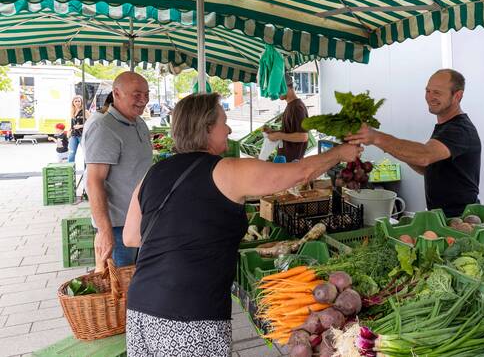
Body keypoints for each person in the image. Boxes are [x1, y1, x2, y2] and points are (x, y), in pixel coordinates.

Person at [122, 93, 361, 356]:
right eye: (223, 122)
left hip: (141, 308)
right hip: (190, 315)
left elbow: (131, 236)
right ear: (206, 128)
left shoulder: (154, 173)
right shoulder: (226, 170)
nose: (229, 128)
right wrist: (339, 152)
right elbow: (299, 173)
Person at [346, 69, 481, 218]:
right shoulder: (445, 127)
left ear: (457, 96)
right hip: (442, 218)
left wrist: (376, 137)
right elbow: (425, 167)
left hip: (461, 220)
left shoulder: (460, 130)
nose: (430, 97)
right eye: (428, 91)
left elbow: (424, 156)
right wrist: (386, 146)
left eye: (437, 92)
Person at [84, 72, 152, 271]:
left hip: (141, 219)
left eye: (147, 94)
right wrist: (105, 231)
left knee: (138, 281)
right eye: (137, 94)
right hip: (118, 227)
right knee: (121, 287)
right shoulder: (103, 127)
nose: (144, 100)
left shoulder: (139, 122)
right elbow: (94, 181)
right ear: (116, 93)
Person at [264, 73, 309, 162]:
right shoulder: (290, 106)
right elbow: (291, 132)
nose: (276, 93)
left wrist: (279, 135)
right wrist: (274, 132)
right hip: (285, 160)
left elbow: (303, 136)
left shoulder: (297, 107)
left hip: (292, 163)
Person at [68, 95, 91, 164]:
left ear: (81, 102)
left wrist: (81, 126)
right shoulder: (72, 112)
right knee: (71, 154)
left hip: (82, 135)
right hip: (73, 135)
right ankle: (71, 172)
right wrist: (69, 131)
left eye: (79, 101)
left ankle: (86, 172)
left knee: (86, 154)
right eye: (75, 101)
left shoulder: (85, 111)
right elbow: (72, 124)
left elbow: (91, 123)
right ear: (73, 103)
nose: (77, 103)